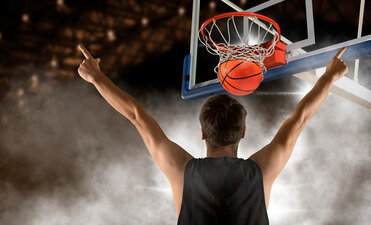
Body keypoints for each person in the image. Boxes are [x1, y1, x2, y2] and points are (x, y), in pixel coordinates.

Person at [77, 44, 348, 224]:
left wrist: (95, 78)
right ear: (243, 132)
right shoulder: (260, 171)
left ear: (203, 133)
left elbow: (136, 115)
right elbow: (299, 119)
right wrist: (330, 76)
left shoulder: (181, 170)